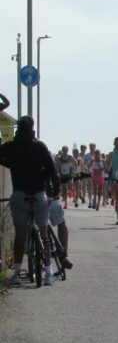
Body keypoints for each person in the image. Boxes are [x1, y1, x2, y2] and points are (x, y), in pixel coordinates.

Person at [0, 116, 60, 286]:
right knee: (44, 234)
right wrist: (56, 192)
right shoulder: (39, 146)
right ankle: (48, 273)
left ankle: (17, 273)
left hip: (20, 194)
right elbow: (52, 170)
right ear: (32, 128)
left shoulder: (11, 146)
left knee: (21, 235)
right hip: (39, 194)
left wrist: (11, 164)